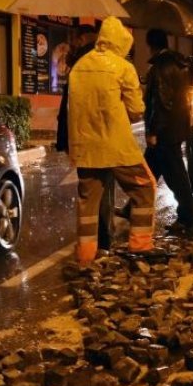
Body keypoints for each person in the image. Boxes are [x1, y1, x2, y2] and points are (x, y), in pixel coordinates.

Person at [68, 16, 156, 265]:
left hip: (86, 148)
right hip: (117, 147)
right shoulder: (123, 67)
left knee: (88, 203)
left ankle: (85, 257)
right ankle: (140, 247)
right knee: (144, 189)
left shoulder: (79, 67)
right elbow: (137, 110)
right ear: (121, 43)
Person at [56, 23, 115, 253]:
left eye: (76, 39)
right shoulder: (105, 61)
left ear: (82, 39)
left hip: (83, 136)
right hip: (103, 134)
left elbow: (70, 105)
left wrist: (66, 139)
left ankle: (91, 245)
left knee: (88, 193)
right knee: (104, 189)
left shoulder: (80, 64)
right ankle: (104, 242)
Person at [137, 27, 193, 232]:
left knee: (176, 176)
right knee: (149, 171)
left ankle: (187, 217)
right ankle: (133, 207)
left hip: (165, 131)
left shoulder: (161, 67)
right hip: (176, 126)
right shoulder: (179, 63)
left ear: (151, 45)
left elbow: (162, 102)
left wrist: (153, 131)